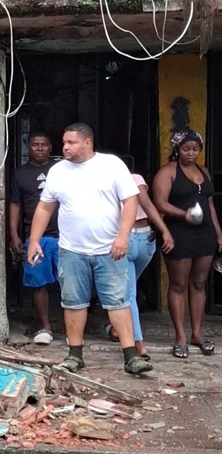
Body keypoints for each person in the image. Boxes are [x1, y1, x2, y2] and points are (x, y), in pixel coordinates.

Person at [27, 123, 152, 375]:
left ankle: (131, 357)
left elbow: (130, 201)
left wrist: (123, 237)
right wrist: (33, 240)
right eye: (64, 142)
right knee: (73, 303)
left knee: (118, 302)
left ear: (87, 142)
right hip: (71, 250)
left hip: (109, 249)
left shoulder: (111, 165)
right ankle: (75, 355)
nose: (65, 147)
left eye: (71, 142)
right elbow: (45, 207)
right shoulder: (58, 171)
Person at [152, 130, 222, 358]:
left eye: (195, 149)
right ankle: (180, 337)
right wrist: (184, 214)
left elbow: (209, 204)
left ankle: (197, 334)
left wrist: (218, 232)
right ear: (177, 149)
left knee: (199, 283)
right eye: (186, 149)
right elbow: (160, 203)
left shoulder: (204, 171)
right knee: (179, 284)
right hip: (179, 232)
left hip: (205, 233)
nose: (191, 153)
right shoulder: (167, 172)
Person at [105, 171, 175, 359]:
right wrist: (164, 230)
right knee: (127, 289)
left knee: (128, 293)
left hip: (124, 240)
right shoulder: (135, 178)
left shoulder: (105, 181)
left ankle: (138, 342)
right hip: (146, 239)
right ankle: (117, 328)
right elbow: (147, 204)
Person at [9, 131, 59, 345]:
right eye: (35, 144)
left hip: (65, 236)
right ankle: (45, 326)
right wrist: (14, 234)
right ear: (28, 147)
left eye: (44, 144)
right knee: (39, 283)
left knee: (72, 282)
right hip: (36, 238)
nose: (40, 148)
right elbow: (15, 205)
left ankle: (74, 327)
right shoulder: (20, 174)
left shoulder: (61, 170)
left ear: (51, 148)